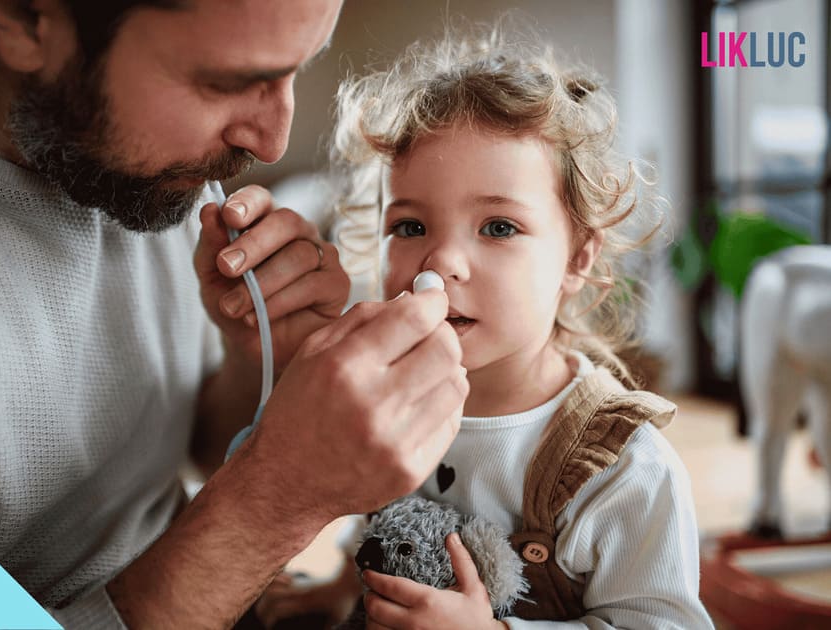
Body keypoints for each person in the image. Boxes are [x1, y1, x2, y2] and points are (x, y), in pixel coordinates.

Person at [0, 1, 469, 627]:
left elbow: (191, 445)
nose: (271, 141)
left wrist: (262, 364)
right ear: (26, 17)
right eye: (228, 81)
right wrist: (277, 499)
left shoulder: (117, 154)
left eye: (293, 70)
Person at [255, 24, 715, 629]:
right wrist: (344, 587)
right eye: (410, 227)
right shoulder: (391, 402)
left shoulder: (623, 468)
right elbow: (387, 522)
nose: (440, 262)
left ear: (577, 258)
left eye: (498, 228)